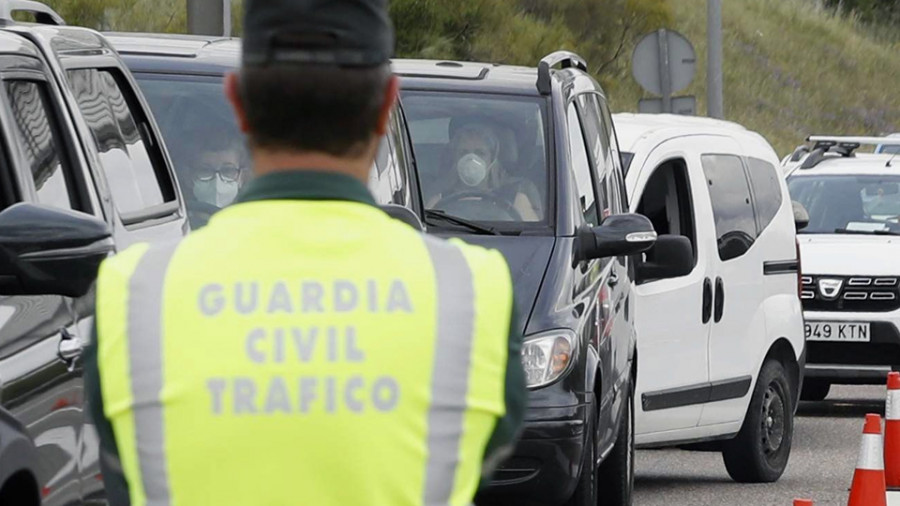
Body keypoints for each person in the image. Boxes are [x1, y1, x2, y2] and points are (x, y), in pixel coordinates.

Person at [84, 0, 525, 505]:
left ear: (238, 102)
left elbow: (122, 473)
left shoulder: (133, 294)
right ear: (386, 106)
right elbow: (482, 457)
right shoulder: (473, 294)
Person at [427, 116, 543, 221]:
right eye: (463, 152)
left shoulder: (515, 198)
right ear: (455, 158)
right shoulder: (439, 199)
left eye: (480, 153)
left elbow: (534, 239)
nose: (471, 159)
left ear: (492, 159)